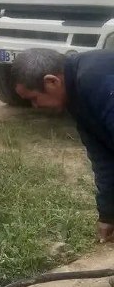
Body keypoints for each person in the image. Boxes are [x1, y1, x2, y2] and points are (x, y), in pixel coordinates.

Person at [12, 48, 114, 242]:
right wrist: (108, 214)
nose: (35, 106)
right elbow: (103, 159)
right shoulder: (76, 94)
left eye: (33, 98)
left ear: (52, 81)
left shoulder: (99, 82)